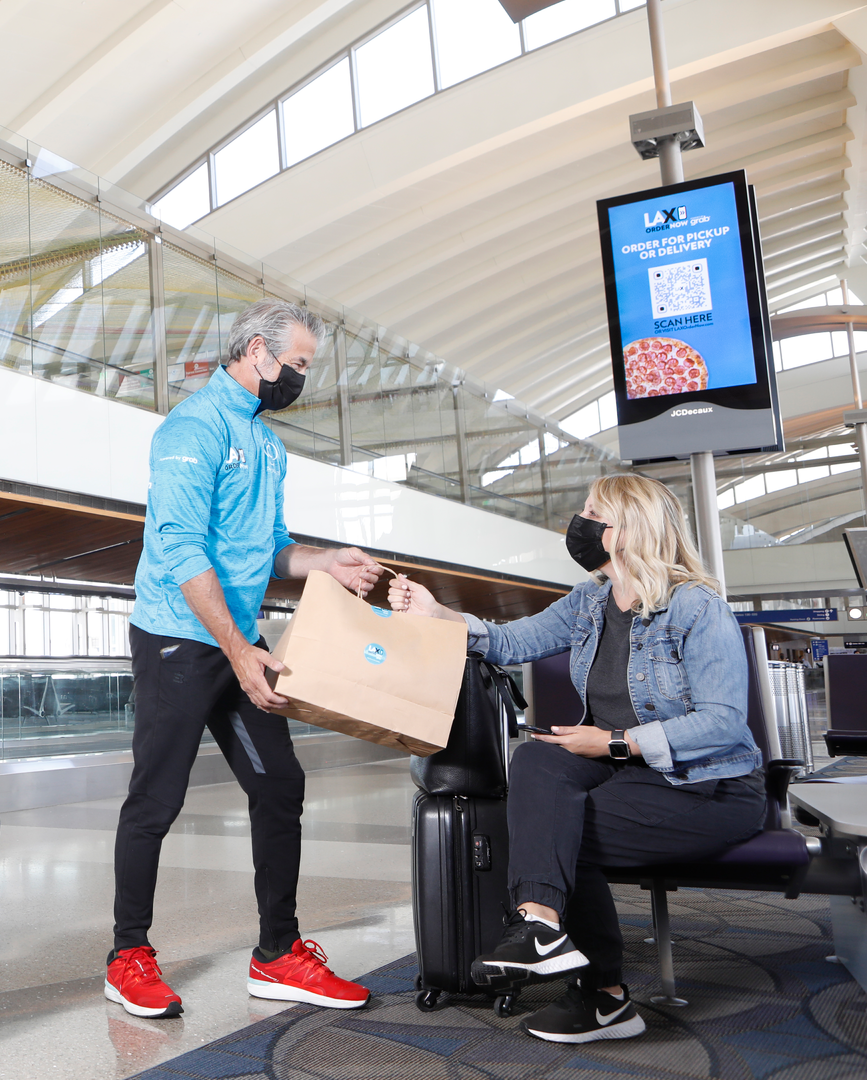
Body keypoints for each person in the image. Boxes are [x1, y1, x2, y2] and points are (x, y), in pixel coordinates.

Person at [390, 474, 763, 1044]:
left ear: (627, 529)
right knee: (537, 763)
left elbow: (723, 722)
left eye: (592, 513)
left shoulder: (695, 607)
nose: (579, 523)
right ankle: (539, 924)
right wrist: (440, 615)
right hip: (631, 771)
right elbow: (511, 641)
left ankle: (604, 997)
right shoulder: (590, 601)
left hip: (708, 786)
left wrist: (613, 742)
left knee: (563, 828)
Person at [106, 298, 386, 1021]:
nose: (299, 378)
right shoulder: (192, 428)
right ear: (256, 353)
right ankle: (127, 956)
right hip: (177, 637)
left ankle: (277, 954)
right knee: (154, 800)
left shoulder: (265, 443)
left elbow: (268, 550)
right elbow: (178, 547)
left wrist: (327, 562)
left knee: (279, 784)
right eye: (294, 364)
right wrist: (237, 650)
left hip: (233, 634)